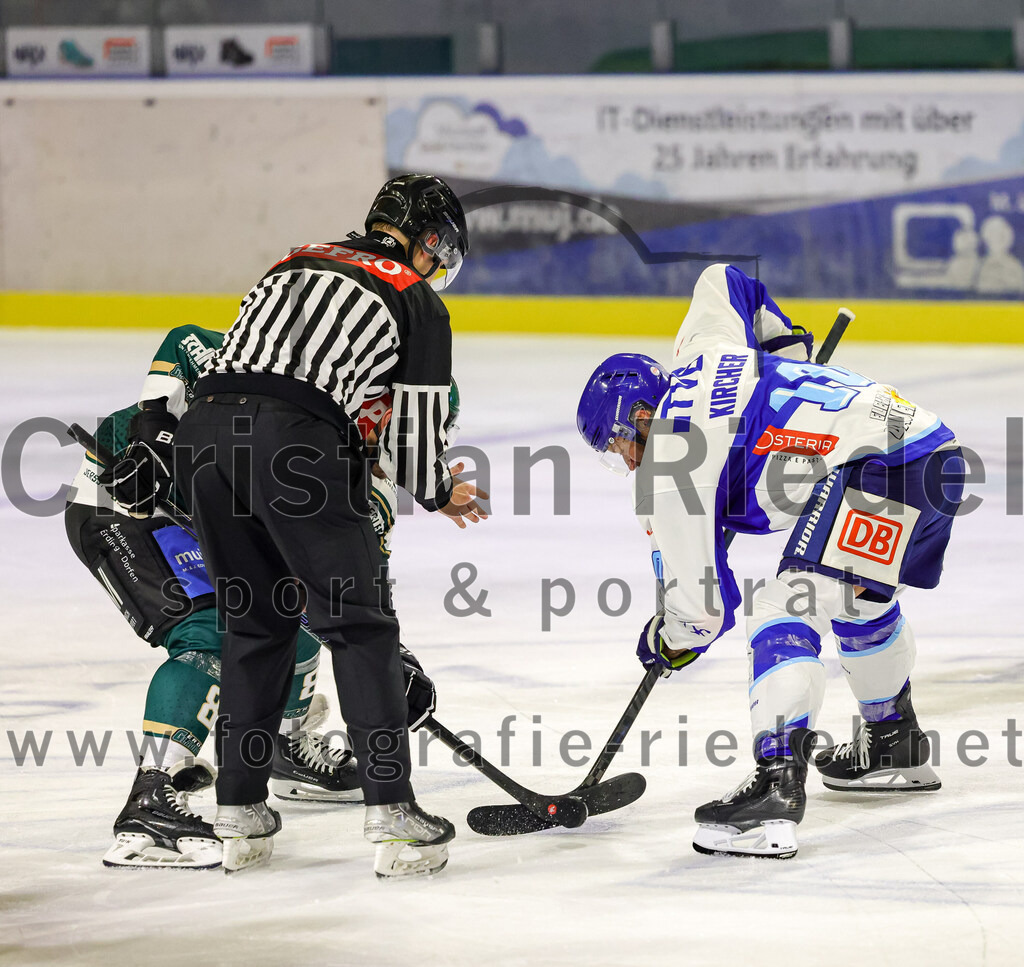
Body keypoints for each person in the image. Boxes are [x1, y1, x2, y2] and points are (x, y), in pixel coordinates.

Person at [576, 263, 964, 859]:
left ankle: (775, 791)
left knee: (787, 605)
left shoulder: (668, 464)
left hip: (876, 468)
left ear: (642, 417)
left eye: (620, 444)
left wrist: (668, 638)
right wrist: (787, 349)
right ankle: (891, 742)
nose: (628, 463)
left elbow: (701, 612)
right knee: (855, 599)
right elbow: (726, 280)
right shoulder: (705, 349)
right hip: (934, 452)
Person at [165, 174, 487, 877]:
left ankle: (240, 810)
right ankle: (395, 814)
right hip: (294, 442)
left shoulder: (294, 258)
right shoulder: (416, 299)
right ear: (432, 241)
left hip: (205, 436)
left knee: (254, 623)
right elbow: (411, 438)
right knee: (359, 626)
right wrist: (439, 492)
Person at [66, 323, 372, 869]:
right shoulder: (280, 363)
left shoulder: (358, 445)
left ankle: (281, 745)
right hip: (124, 503)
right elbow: (184, 340)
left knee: (291, 615)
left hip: (213, 509)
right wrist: (150, 438)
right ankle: (150, 798)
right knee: (209, 636)